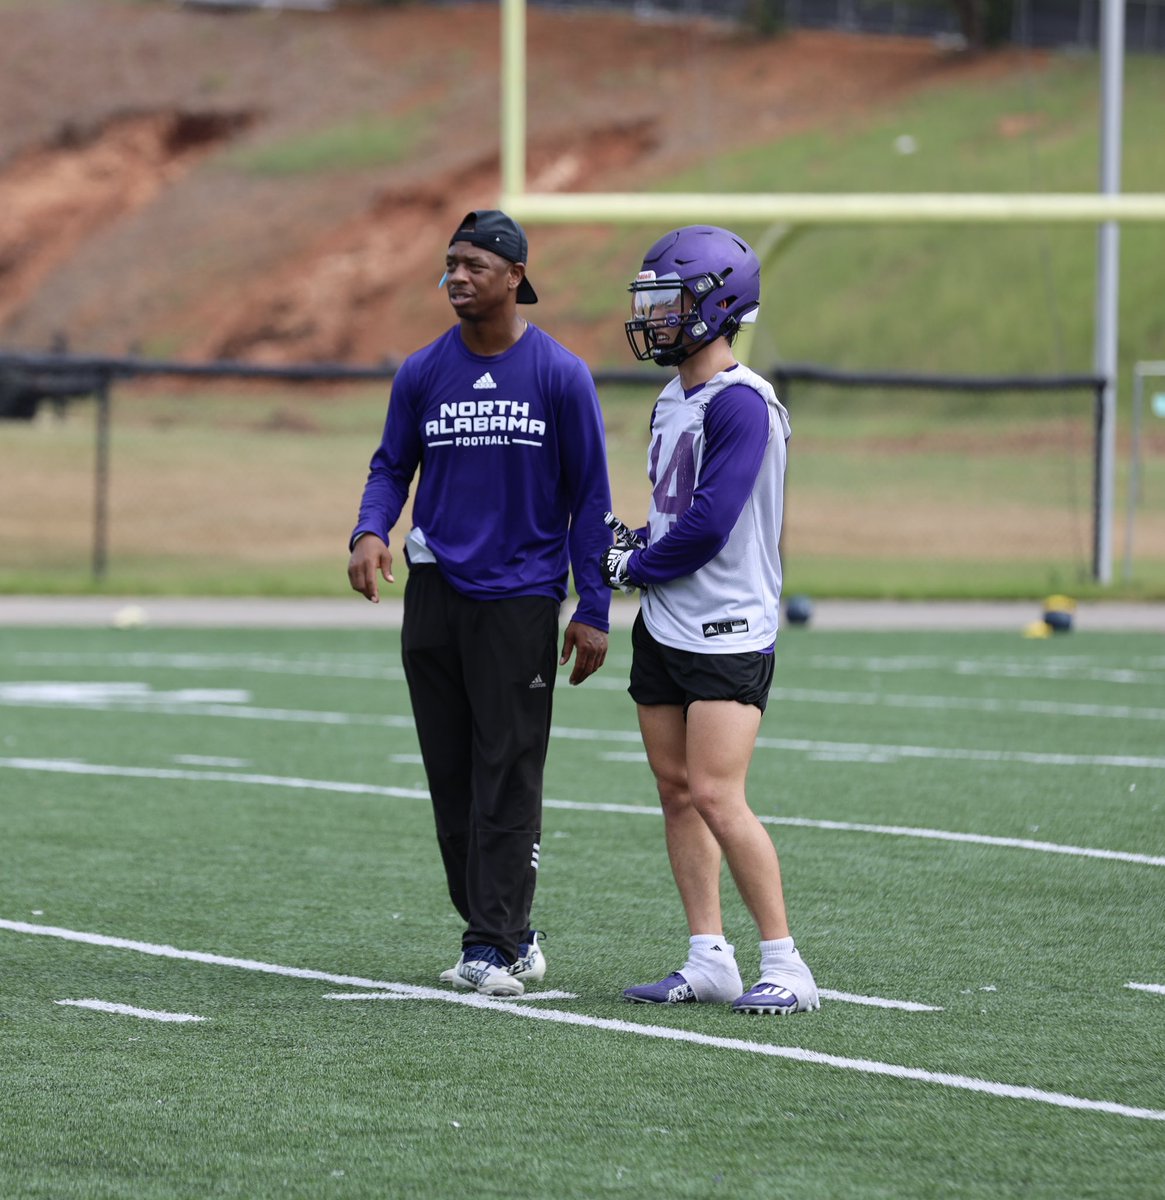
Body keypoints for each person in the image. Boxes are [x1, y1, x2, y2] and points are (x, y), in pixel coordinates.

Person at [348, 209, 612, 998]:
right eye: (450, 264)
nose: (456, 277)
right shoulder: (423, 370)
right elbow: (391, 465)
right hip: (434, 594)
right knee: (452, 774)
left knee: (508, 770)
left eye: (473, 265)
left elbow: (590, 496)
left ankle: (491, 942)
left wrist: (592, 605)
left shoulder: (560, 375)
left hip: (520, 600)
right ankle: (507, 931)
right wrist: (369, 530)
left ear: (515, 277)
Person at [599, 225, 819, 1015]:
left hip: (726, 623)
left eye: (668, 301)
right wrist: (631, 542)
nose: (654, 316)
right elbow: (673, 516)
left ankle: (787, 963)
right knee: (676, 791)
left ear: (715, 305)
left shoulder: (743, 405)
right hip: (665, 620)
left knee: (720, 795)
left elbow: (712, 524)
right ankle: (708, 955)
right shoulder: (671, 398)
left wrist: (631, 564)